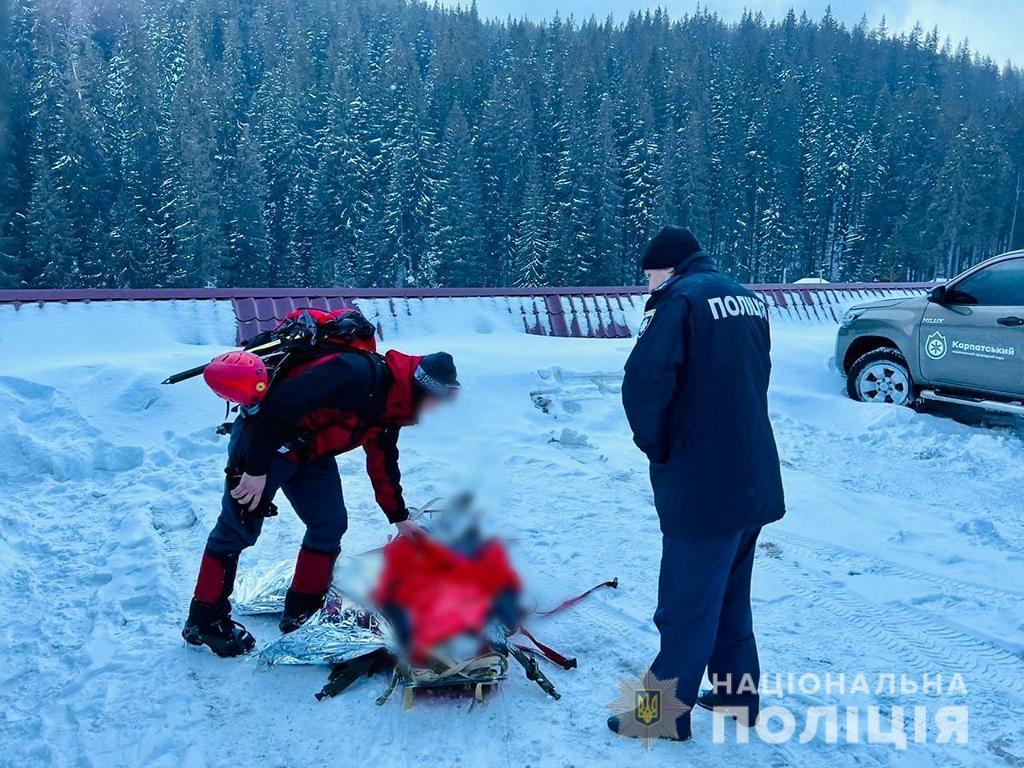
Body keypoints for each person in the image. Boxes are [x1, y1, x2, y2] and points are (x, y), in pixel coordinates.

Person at [611, 226, 786, 741]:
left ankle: (658, 717)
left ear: (667, 267)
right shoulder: (747, 300)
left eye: (649, 275)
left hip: (703, 485)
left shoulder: (678, 301)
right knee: (730, 596)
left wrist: (660, 449)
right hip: (752, 475)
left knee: (686, 606)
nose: (648, 285)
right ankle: (736, 698)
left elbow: (643, 385)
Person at [181, 348, 461, 657]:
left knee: (329, 523)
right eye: (441, 399)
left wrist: (398, 516)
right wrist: (256, 470)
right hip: (263, 445)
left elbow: (382, 461)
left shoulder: (393, 406)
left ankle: (303, 608)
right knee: (236, 532)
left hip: (308, 452)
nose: (439, 409)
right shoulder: (355, 374)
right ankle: (205, 620)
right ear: (424, 389)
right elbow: (275, 407)